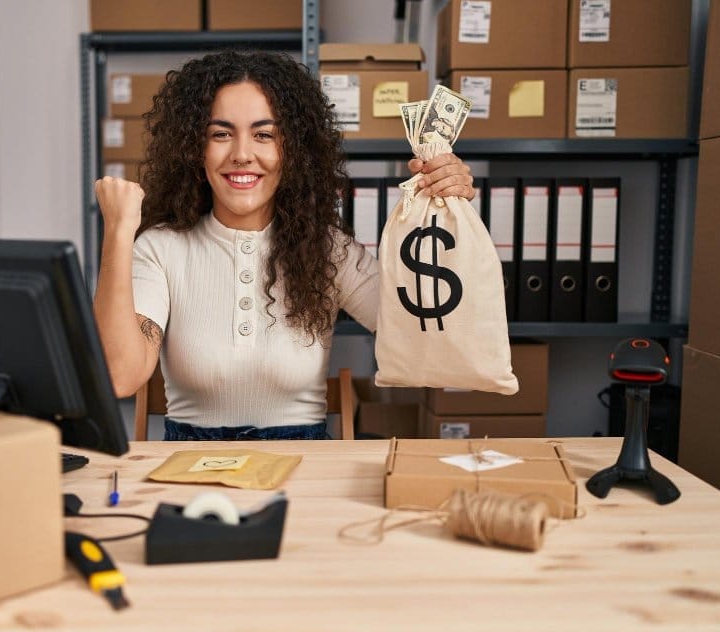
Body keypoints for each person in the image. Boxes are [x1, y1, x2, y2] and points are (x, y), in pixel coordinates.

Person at [94, 51, 475, 441]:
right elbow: (118, 377)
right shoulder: (160, 249)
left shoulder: (328, 249)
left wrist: (448, 210)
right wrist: (119, 233)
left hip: (304, 468)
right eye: (220, 134)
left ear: (292, 150)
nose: (242, 154)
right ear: (194, 148)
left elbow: (429, 337)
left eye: (264, 135)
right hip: (191, 474)